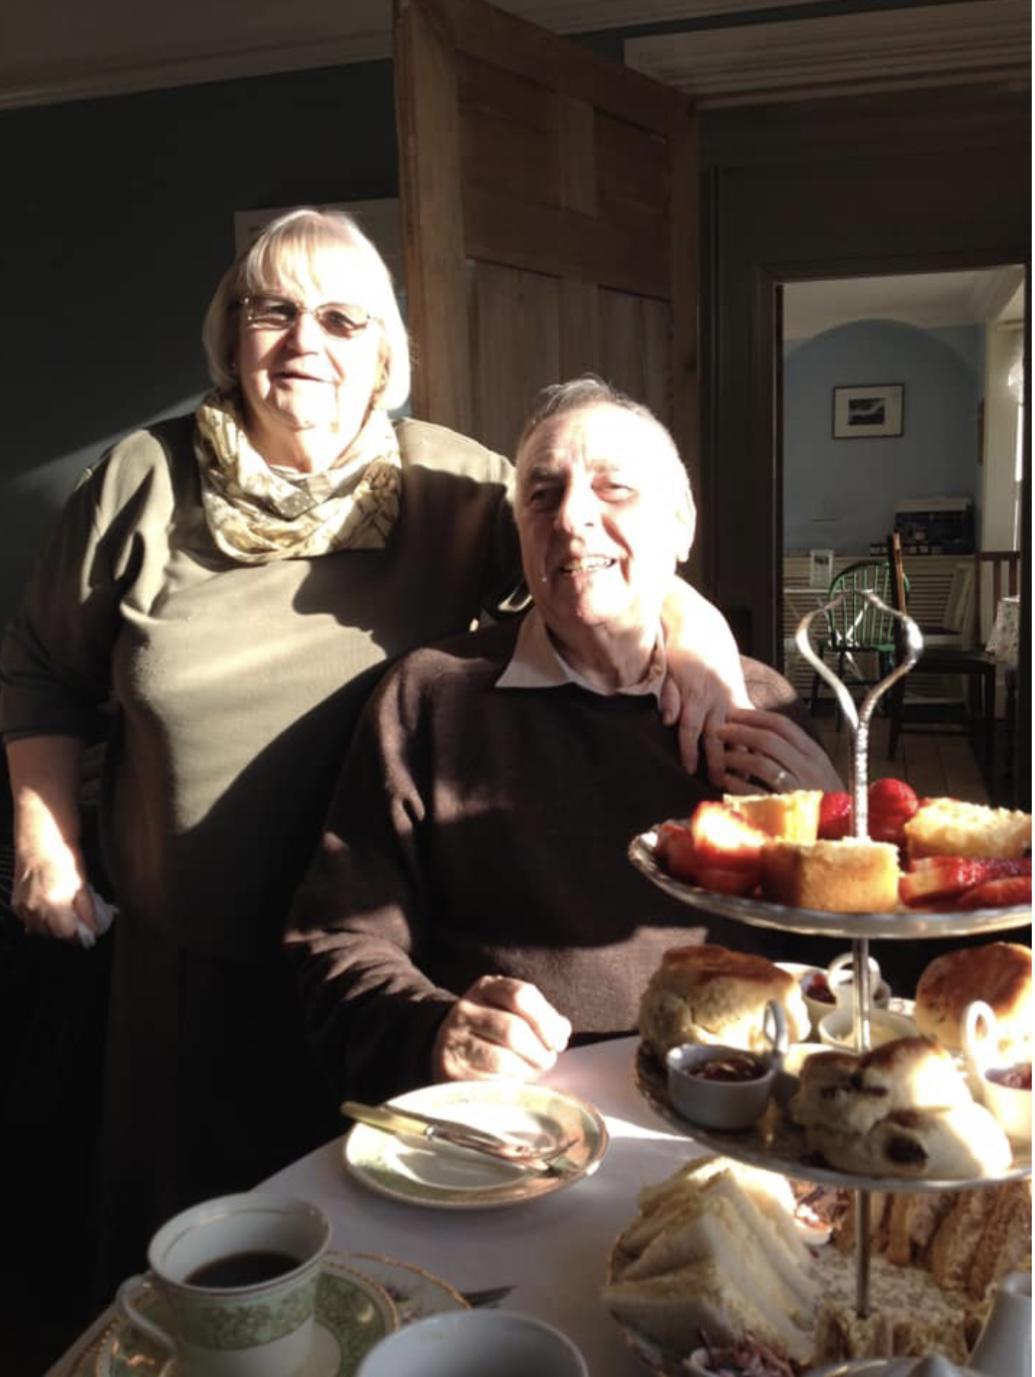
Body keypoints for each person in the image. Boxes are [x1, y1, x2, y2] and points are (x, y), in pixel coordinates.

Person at [1, 213, 745, 1288]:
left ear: (383, 355)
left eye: (343, 317)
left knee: (386, 1258)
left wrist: (708, 651)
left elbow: (599, 544)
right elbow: (41, 669)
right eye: (274, 310)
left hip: (385, 956)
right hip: (193, 967)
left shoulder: (450, 483)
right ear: (230, 337)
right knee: (203, 1267)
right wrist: (44, 839)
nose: (306, 339)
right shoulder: (143, 483)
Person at [286, 378, 843, 1104]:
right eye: (542, 496)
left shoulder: (756, 705)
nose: (572, 516)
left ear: (680, 527)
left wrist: (843, 837)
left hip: (728, 1115)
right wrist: (431, 1032)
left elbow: (841, 967)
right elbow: (336, 938)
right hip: (516, 1125)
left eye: (614, 488)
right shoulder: (430, 696)